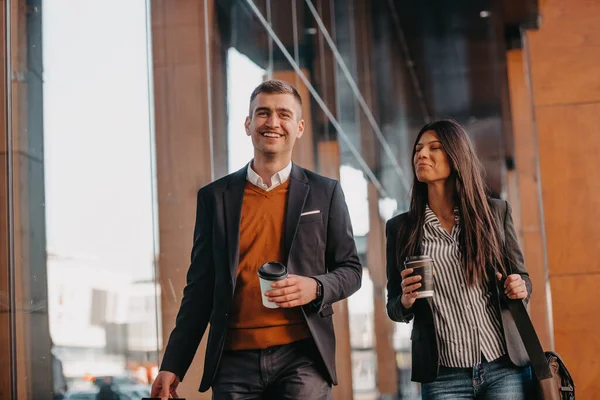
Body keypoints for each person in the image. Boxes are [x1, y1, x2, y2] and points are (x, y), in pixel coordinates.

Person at [151, 79, 362, 399]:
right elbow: (200, 288)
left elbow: (350, 269)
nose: (273, 122)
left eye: (284, 114)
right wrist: (173, 364)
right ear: (248, 124)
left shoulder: (325, 191)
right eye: (263, 113)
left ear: (300, 127)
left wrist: (316, 287)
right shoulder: (214, 197)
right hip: (233, 362)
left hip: (302, 357)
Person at [385, 118, 533, 399]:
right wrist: (405, 300)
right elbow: (394, 306)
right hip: (443, 375)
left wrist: (520, 287)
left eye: (434, 147)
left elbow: (522, 279)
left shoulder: (494, 214)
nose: (422, 154)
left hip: (504, 365)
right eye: (418, 149)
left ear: (456, 156)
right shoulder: (401, 229)